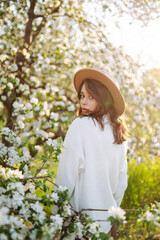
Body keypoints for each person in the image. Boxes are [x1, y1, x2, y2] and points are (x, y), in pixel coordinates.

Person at [55, 68, 128, 236]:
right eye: (82, 96)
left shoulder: (81, 125)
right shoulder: (120, 133)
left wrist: (56, 217)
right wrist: (110, 212)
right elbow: (121, 183)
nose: (83, 102)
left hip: (81, 224)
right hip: (108, 225)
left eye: (91, 97)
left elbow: (66, 177)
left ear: (104, 98)